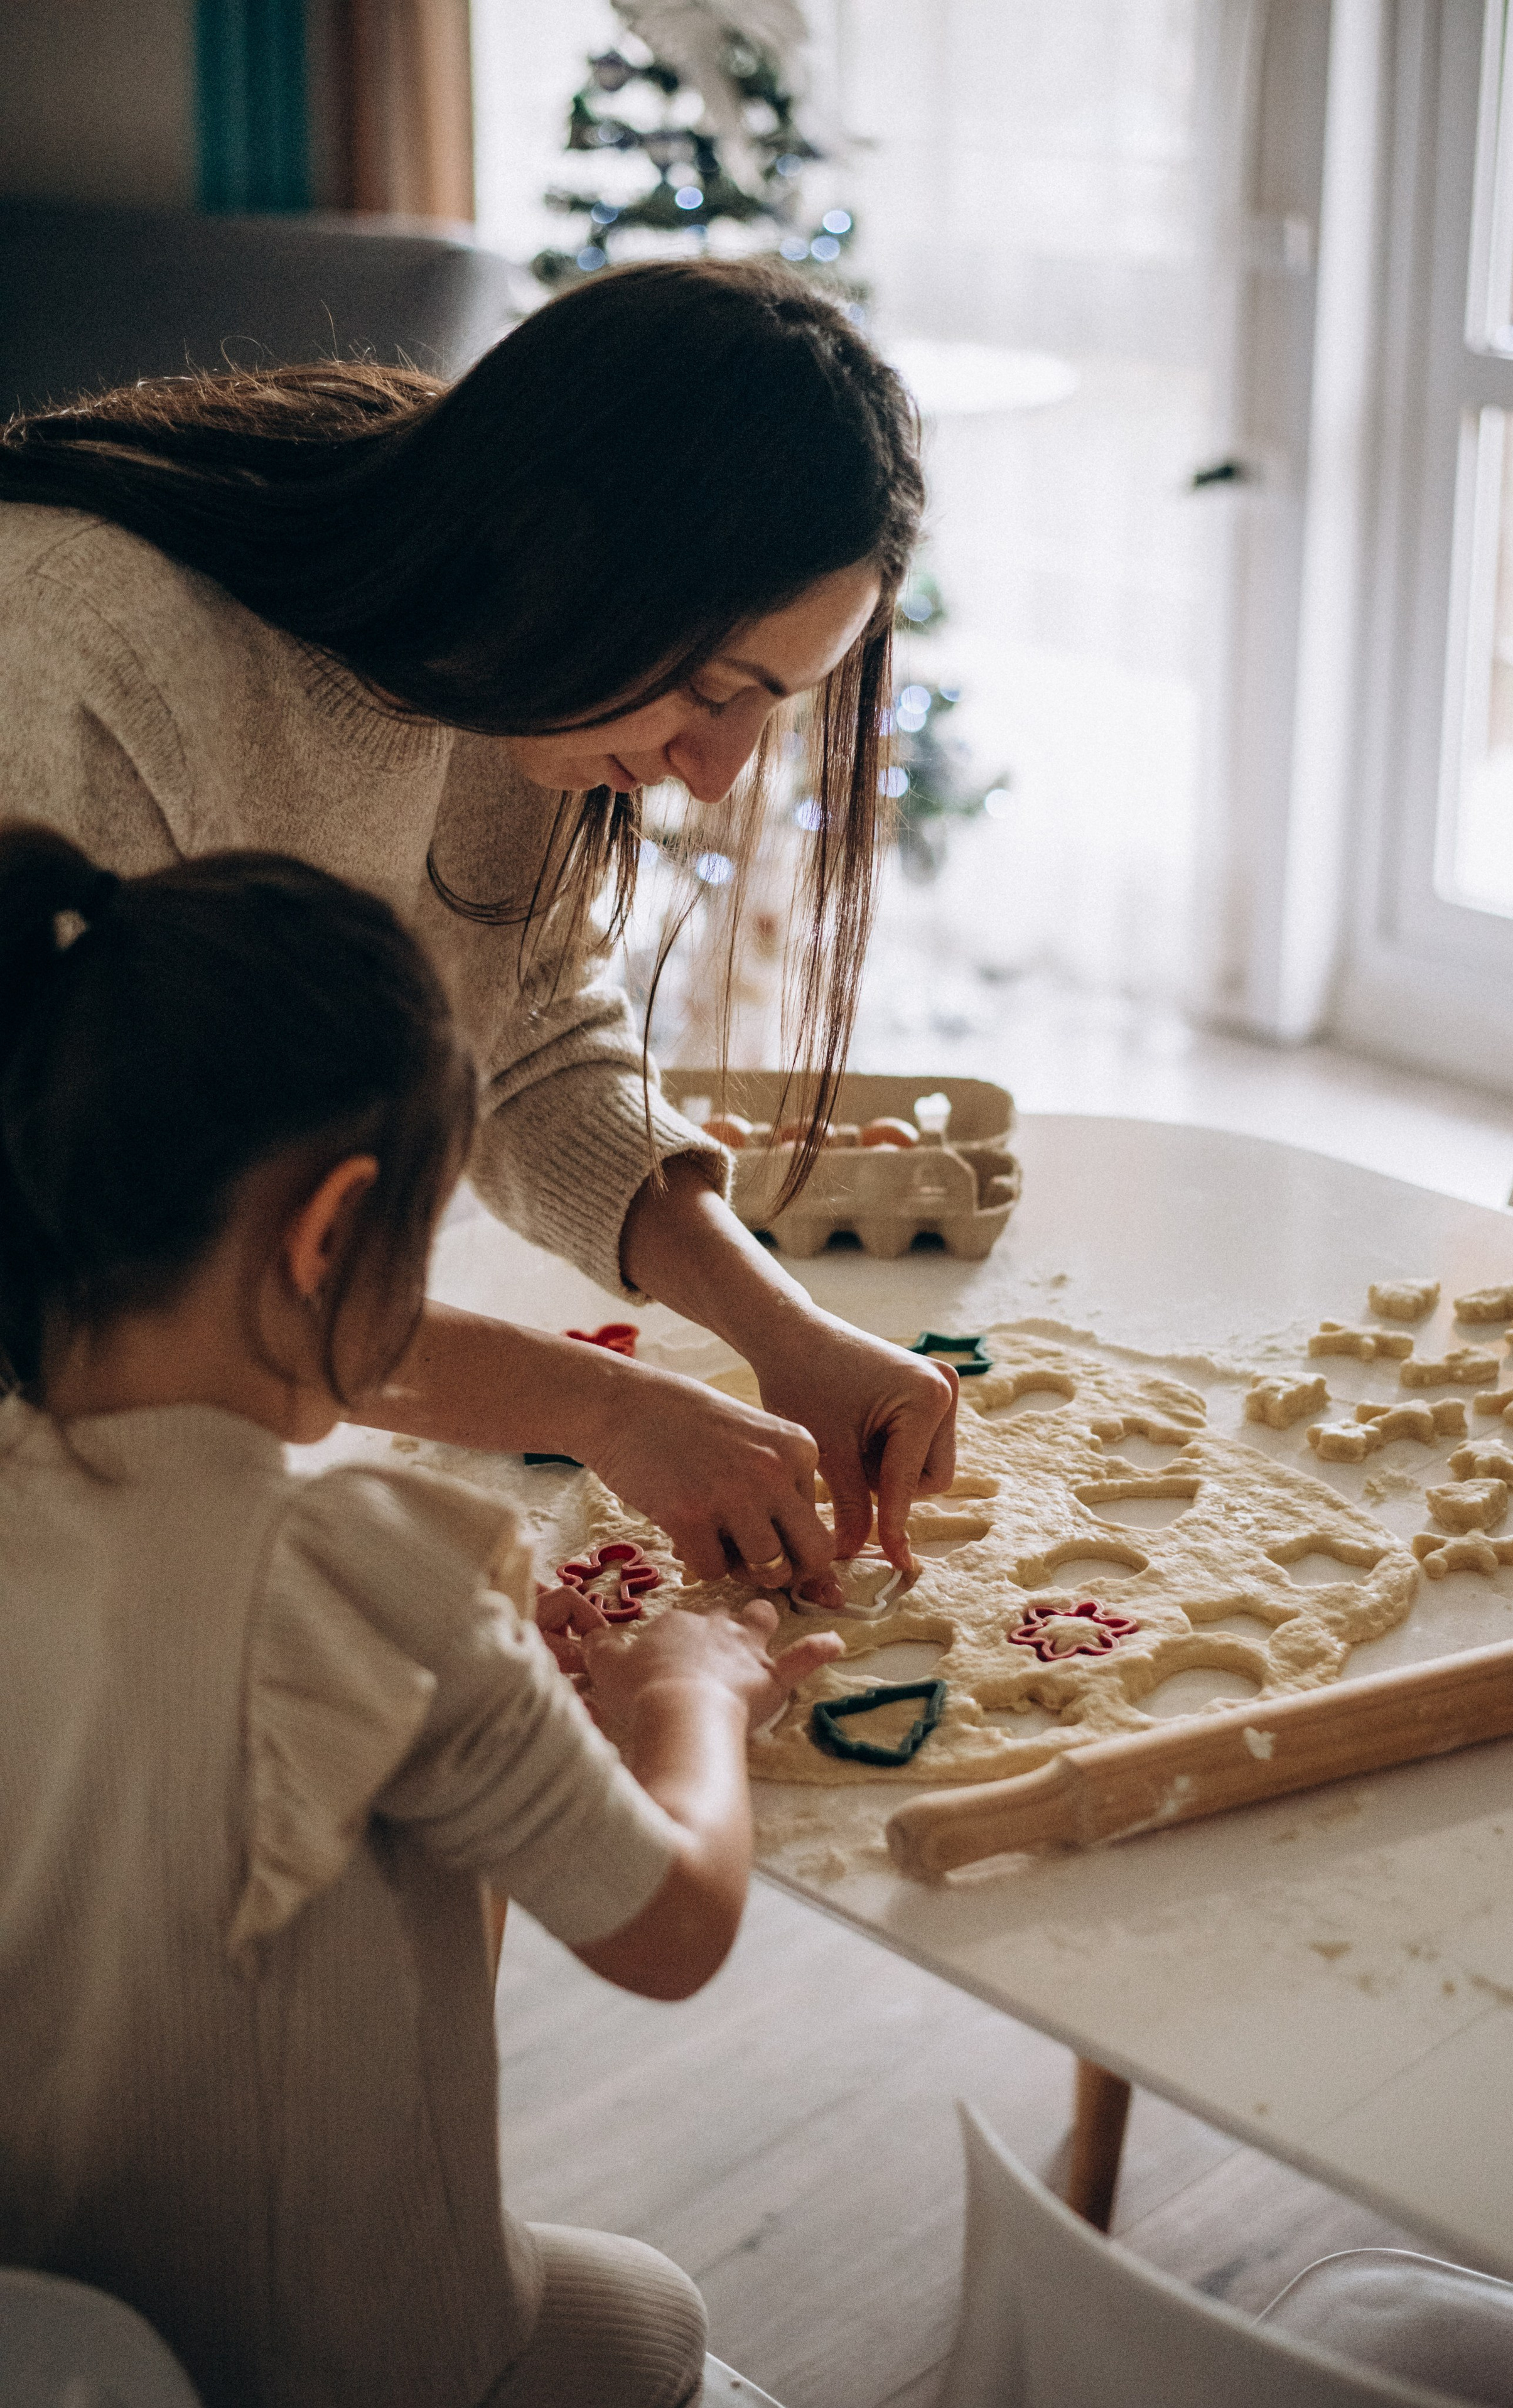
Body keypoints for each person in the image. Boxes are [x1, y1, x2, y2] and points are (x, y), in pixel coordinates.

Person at [0, 821, 844, 2408]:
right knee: (657, 2315)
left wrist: (513, 1728)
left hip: (48, 2331)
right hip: (330, 2359)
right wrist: (691, 1692)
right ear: (330, 1238)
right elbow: (671, 1928)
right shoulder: (361, 1576)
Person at [0, 256, 957, 1607]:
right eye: (706, 687)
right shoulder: (80, 654)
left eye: (769, 708)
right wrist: (611, 1408)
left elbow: (529, 1042)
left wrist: (777, 1327)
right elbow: (115, 1280)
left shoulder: (519, 680)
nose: (716, 774)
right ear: (556, 550)